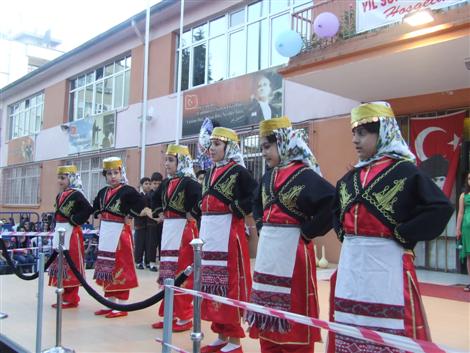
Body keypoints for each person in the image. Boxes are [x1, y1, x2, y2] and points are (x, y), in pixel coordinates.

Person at [327, 102, 454, 353]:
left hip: (387, 266)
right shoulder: (350, 178)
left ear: (382, 132)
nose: (355, 140)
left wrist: (403, 233)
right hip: (353, 266)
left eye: (362, 133)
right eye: (354, 133)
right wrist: (345, 234)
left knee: (391, 330)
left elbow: (440, 207)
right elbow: (335, 210)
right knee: (349, 324)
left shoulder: (405, 172)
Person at [247, 117, 335, 353]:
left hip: (293, 255)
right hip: (268, 253)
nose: (264, 153)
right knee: (267, 309)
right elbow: (256, 202)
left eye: (267, 146)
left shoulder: (304, 175)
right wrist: (260, 224)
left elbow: (332, 202)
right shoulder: (268, 177)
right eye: (262, 148)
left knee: (295, 307)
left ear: (283, 143)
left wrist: (307, 232)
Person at [198, 127, 257, 353]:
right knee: (212, 284)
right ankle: (221, 334)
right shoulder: (211, 171)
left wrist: (236, 208)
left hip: (228, 234)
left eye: (217, 145)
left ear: (229, 147)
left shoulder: (238, 171)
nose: (211, 149)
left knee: (228, 284)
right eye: (211, 144)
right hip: (210, 233)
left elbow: (253, 194)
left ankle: (234, 340)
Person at [149, 144, 201, 331]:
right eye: (166, 160)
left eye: (171, 160)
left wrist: (191, 212)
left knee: (181, 272)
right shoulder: (167, 183)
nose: (167, 164)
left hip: (184, 230)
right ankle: (170, 314)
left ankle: (185, 316)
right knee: (168, 272)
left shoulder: (189, 182)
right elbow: (154, 200)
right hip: (169, 229)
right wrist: (158, 212)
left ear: (182, 162)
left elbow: (201, 198)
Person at [92, 157, 146, 318]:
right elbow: (95, 206)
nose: (113, 176)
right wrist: (96, 212)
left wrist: (130, 214)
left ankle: (122, 305)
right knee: (106, 266)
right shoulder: (103, 192)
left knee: (121, 266)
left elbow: (140, 203)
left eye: (116, 172)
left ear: (121, 173)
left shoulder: (127, 191)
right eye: (109, 173)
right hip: (106, 233)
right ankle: (110, 301)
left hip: (120, 234)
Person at [48, 165, 93, 308]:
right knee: (60, 262)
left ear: (71, 178)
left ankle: (72, 297)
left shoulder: (77, 194)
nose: (60, 181)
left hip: (71, 232)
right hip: (60, 230)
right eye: (59, 178)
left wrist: (74, 221)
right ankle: (63, 295)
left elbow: (88, 209)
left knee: (71, 262)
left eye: (63, 177)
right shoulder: (60, 195)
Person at [134, 177, 156, 270]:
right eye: (146, 184)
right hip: (140, 224)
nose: (148, 185)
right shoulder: (137, 196)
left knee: (149, 244)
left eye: (149, 184)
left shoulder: (153, 195)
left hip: (150, 224)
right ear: (141, 185)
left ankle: (148, 262)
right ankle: (139, 262)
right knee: (139, 244)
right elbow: (135, 209)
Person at [456, 172, 470, 291]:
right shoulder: (463, 196)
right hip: (467, 227)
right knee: (469, 255)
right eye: (469, 178)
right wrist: (458, 228)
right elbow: (460, 213)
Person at [150, 171, 164, 262]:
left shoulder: (164, 195)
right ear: (151, 183)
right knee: (152, 244)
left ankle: (162, 260)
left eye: (159, 184)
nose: (157, 186)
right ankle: (151, 262)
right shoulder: (149, 195)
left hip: (163, 223)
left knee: (162, 242)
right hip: (151, 223)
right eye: (155, 183)